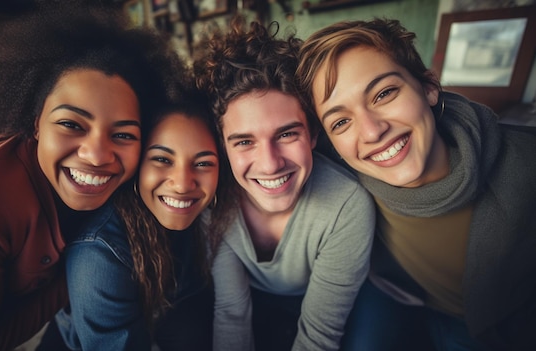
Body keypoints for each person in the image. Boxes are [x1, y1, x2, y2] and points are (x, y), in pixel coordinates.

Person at [0, 2, 187, 350]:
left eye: (123, 134)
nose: (97, 155)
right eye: (71, 124)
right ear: (35, 124)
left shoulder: (125, 184)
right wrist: (74, 271)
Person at [297, 18, 536, 351]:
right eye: (341, 121)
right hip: (399, 299)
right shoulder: (337, 176)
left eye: (384, 93)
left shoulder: (525, 167)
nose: (371, 131)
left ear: (429, 88)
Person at [193, 16, 376, 351]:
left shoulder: (346, 206)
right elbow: (232, 311)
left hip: (326, 304)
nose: (270, 163)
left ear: (314, 134)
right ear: (223, 146)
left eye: (287, 134)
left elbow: (319, 335)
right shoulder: (212, 198)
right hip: (258, 302)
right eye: (244, 142)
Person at [47, 89, 234, 351]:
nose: (182, 184)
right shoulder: (98, 254)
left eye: (203, 163)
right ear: (137, 166)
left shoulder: (211, 220)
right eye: (161, 159)